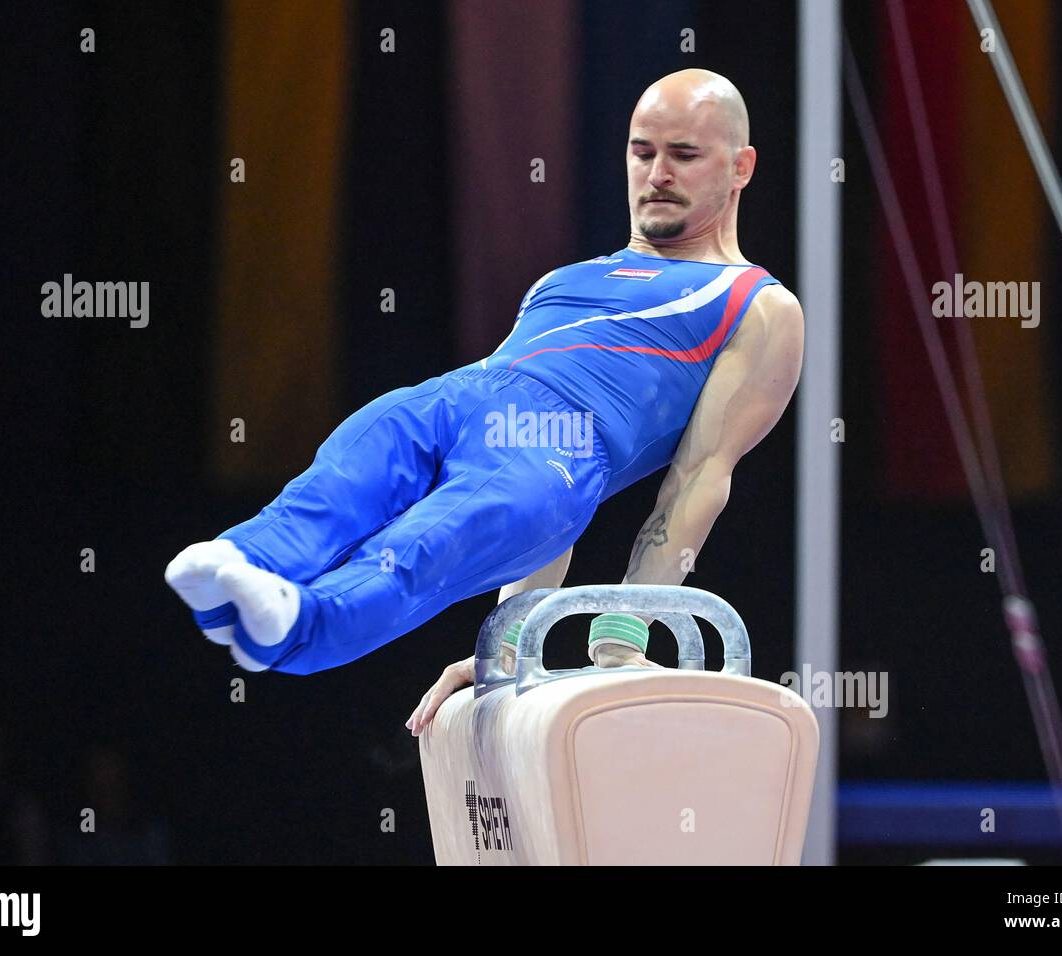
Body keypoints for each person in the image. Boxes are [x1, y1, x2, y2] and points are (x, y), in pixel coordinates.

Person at [165, 69, 804, 727]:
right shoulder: (564, 280)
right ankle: (248, 562)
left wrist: (621, 638)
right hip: (465, 395)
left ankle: (301, 625)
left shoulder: (757, 305)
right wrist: (508, 647)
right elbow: (536, 538)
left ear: (741, 167)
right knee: (360, 452)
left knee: (427, 542)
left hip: (559, 448)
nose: (658, 173)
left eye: (684, 155)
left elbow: (698, 479)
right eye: (643, 152)